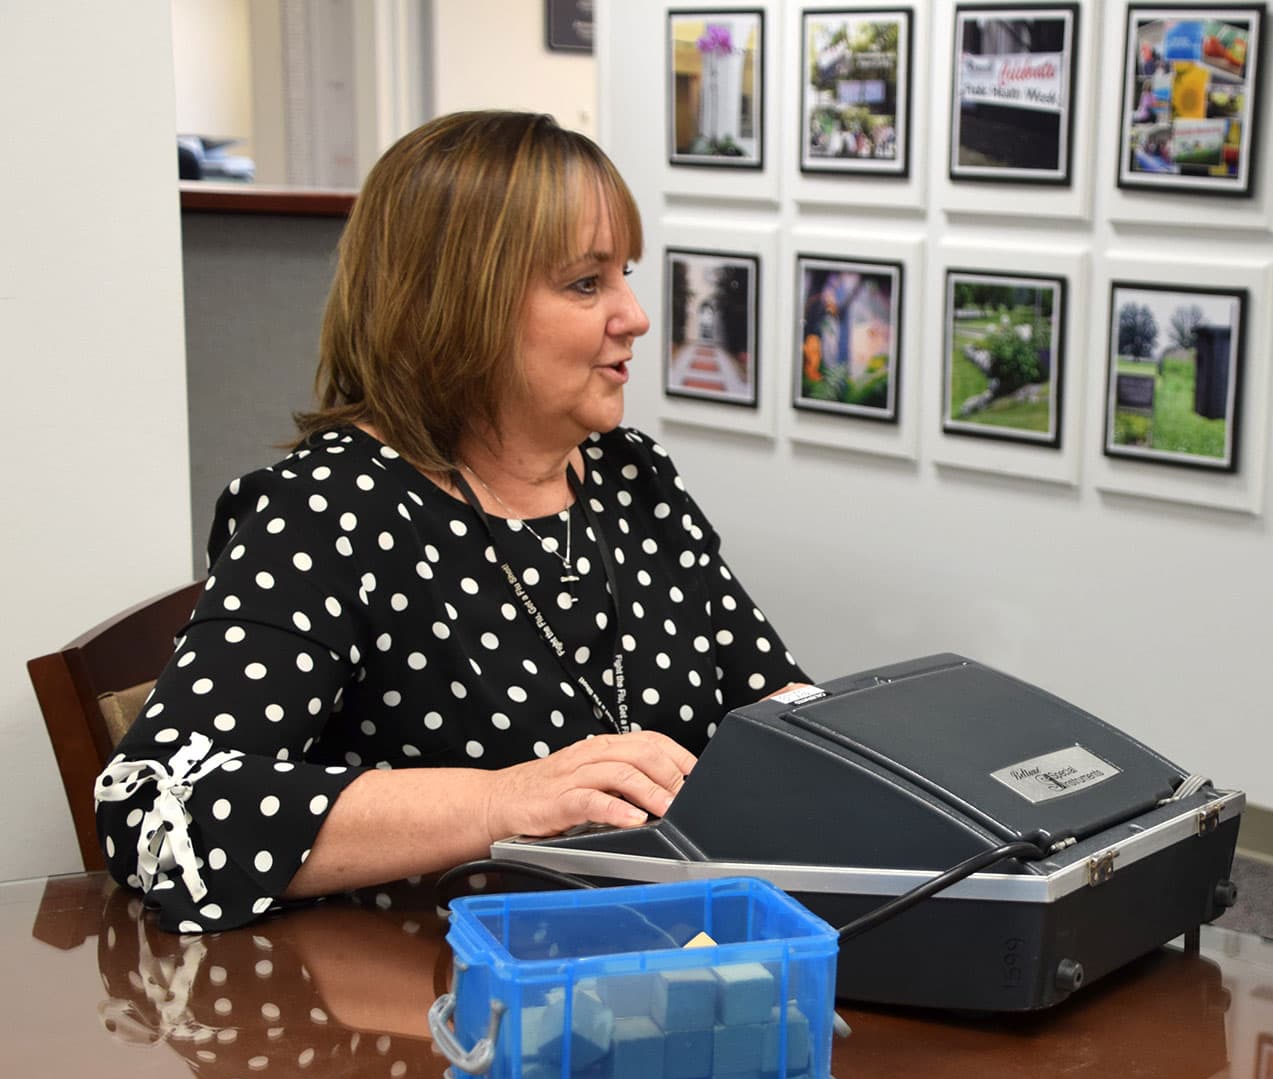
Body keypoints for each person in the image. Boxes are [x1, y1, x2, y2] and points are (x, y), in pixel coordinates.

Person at [94, 111, 806, 934]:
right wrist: (504, 799)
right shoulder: (328, 511)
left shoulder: (629, 476)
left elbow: (771, 710)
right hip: (426, 1010)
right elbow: (159, 809)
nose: (636, 316)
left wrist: (840, 752)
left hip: (656, 974)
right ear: (458, 307)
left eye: (625, 274)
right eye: (586, 283)